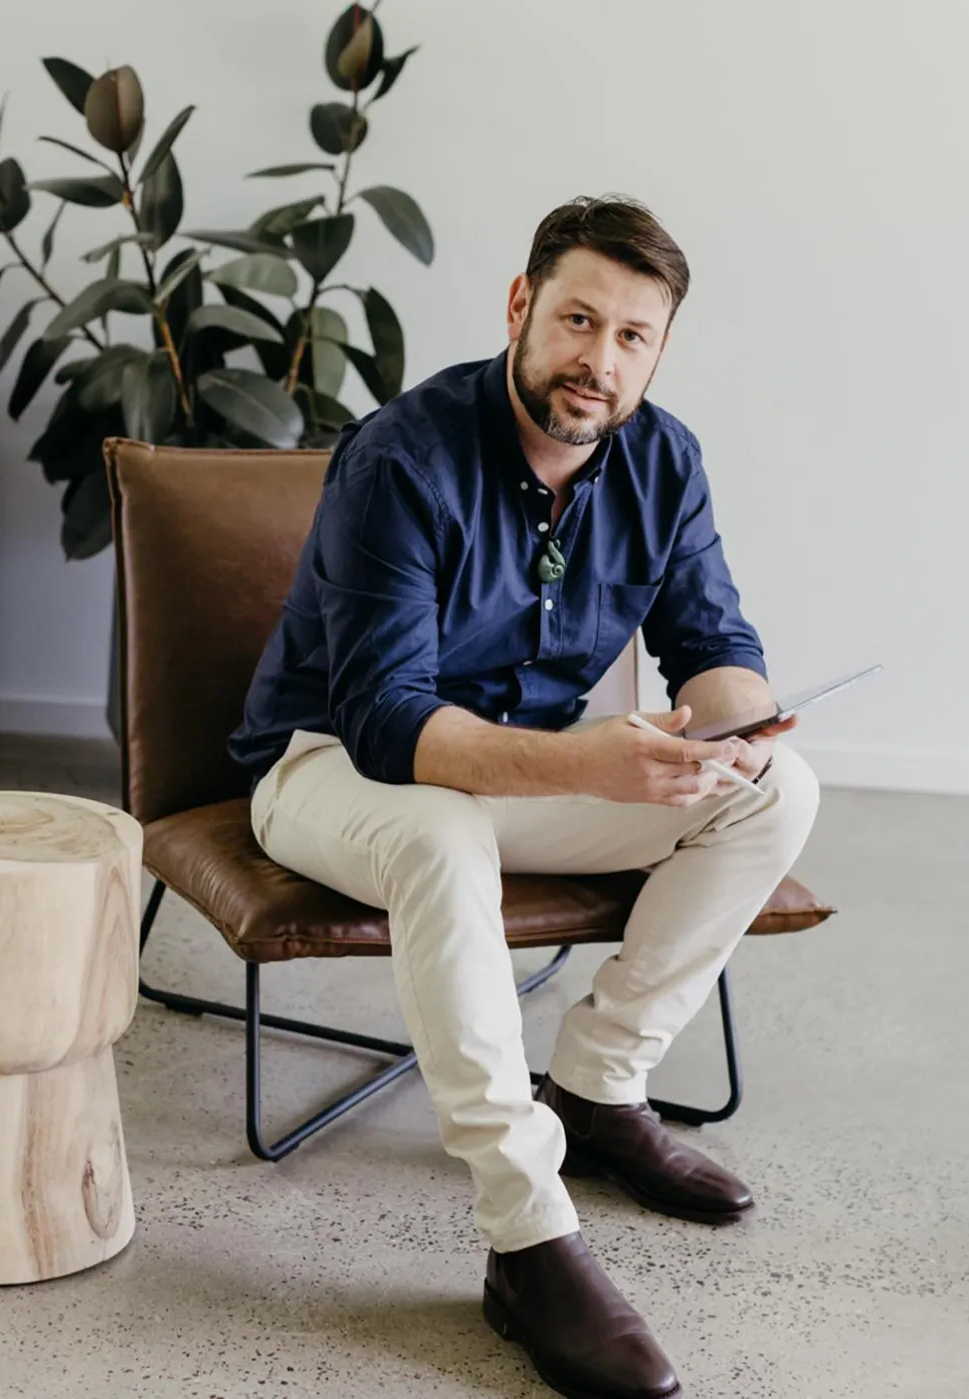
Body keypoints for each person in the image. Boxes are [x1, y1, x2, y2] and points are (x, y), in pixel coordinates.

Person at [229, 195, 820, 1399]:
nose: (600, 360)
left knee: (779, 792)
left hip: (517, 775)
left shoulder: (664, 459)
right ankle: (527, 1232)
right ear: (521, 307)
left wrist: (741, 728)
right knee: (440, 826)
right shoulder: (402, 457)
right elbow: (387, 723)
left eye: (633, 337)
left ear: (659, 352)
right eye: (579, 320)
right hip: (327, 769)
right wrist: (588, 761)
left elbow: (713, 640)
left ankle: (599, 1086)